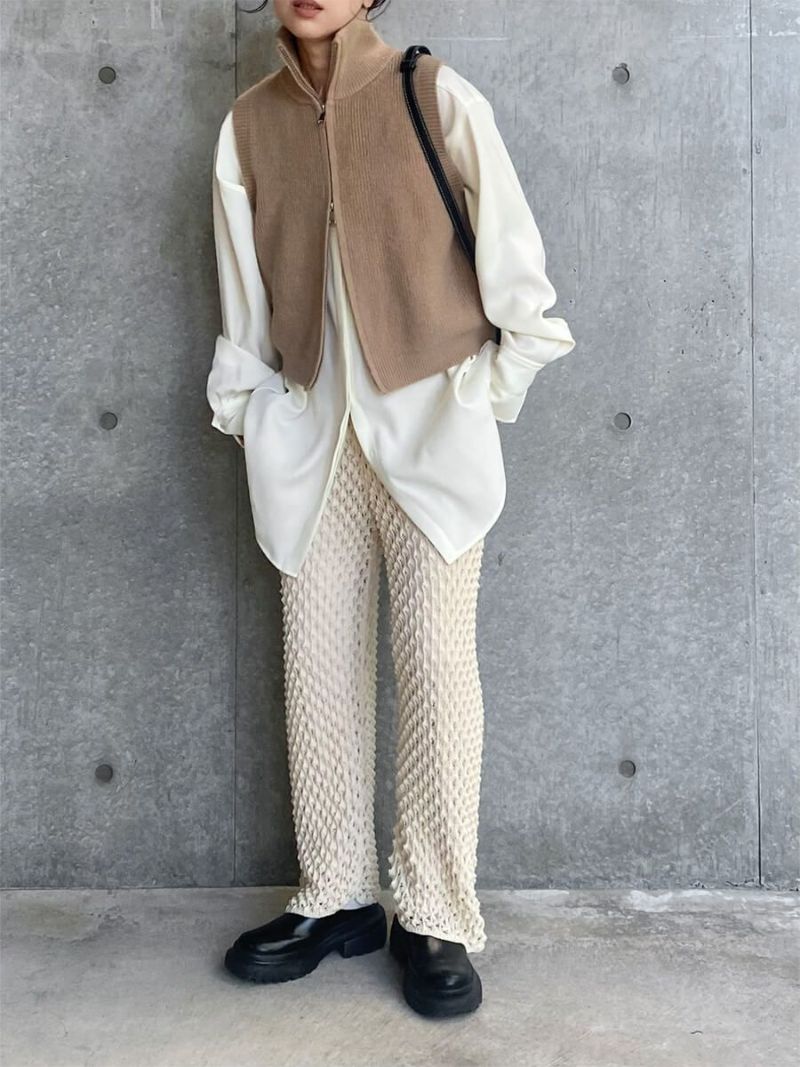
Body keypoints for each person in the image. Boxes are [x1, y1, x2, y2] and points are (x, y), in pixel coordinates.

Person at [206, 0, 575, 1018]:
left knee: (435, 672)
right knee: (316, 669)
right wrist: (255, 414)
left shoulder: (434, 95)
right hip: (310, 444)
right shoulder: (248, 124)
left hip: (430, 444)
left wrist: (474, 398)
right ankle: (335, 895)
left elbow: (521, 284)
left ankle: (435, 911)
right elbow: (242, 305)